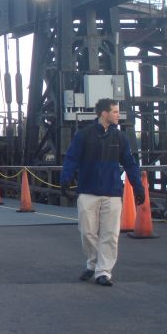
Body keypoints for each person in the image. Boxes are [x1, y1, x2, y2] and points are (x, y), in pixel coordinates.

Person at [60, 98, 145, 287]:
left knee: (110, 234)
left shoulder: (120, 138)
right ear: (104, 113)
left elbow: (130, 164)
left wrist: (138, 187)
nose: (118, 115)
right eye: (115, 112)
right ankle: (93, 262)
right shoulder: (84, 135)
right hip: (88, 191)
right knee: (87, 232)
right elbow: (71, 158)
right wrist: (65, 179)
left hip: (113, 192)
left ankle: (103, 272)